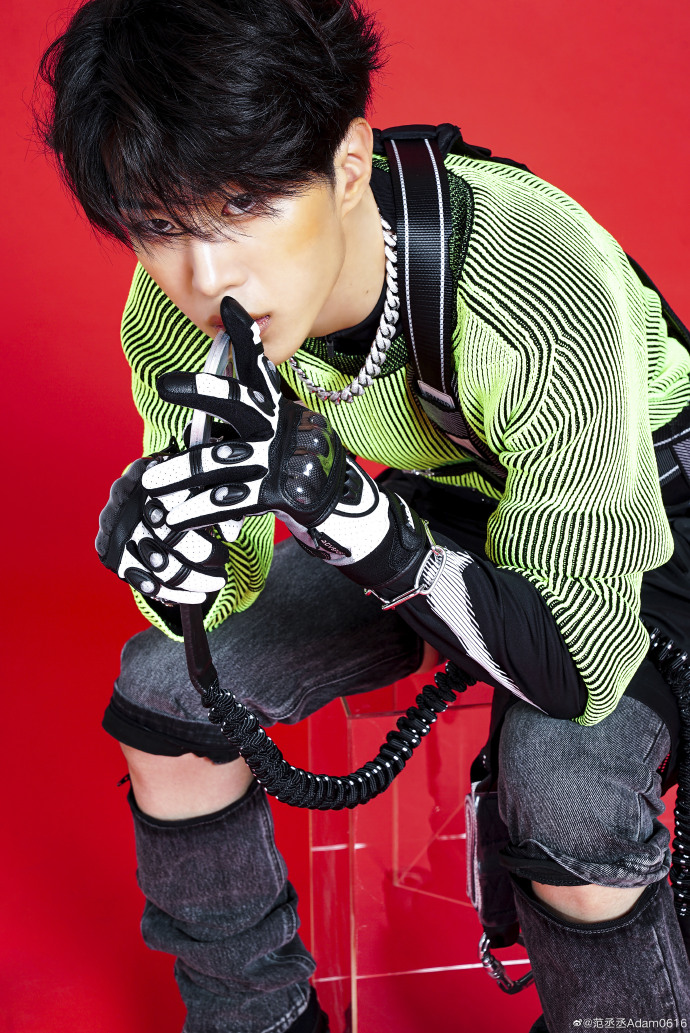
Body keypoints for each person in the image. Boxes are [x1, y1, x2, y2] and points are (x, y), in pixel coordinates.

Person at [36, 0, 690, 1029]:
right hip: (454, 504)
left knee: (564, 790)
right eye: (160, 225)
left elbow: (577, 661)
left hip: (651, 526)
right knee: (162, 691)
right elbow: (222, 588)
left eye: (246, 204)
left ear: (347, 165)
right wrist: (177, 562)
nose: (207, 274)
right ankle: (253, 1015)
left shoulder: (532, 279)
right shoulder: (178, 310)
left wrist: (358, 523)